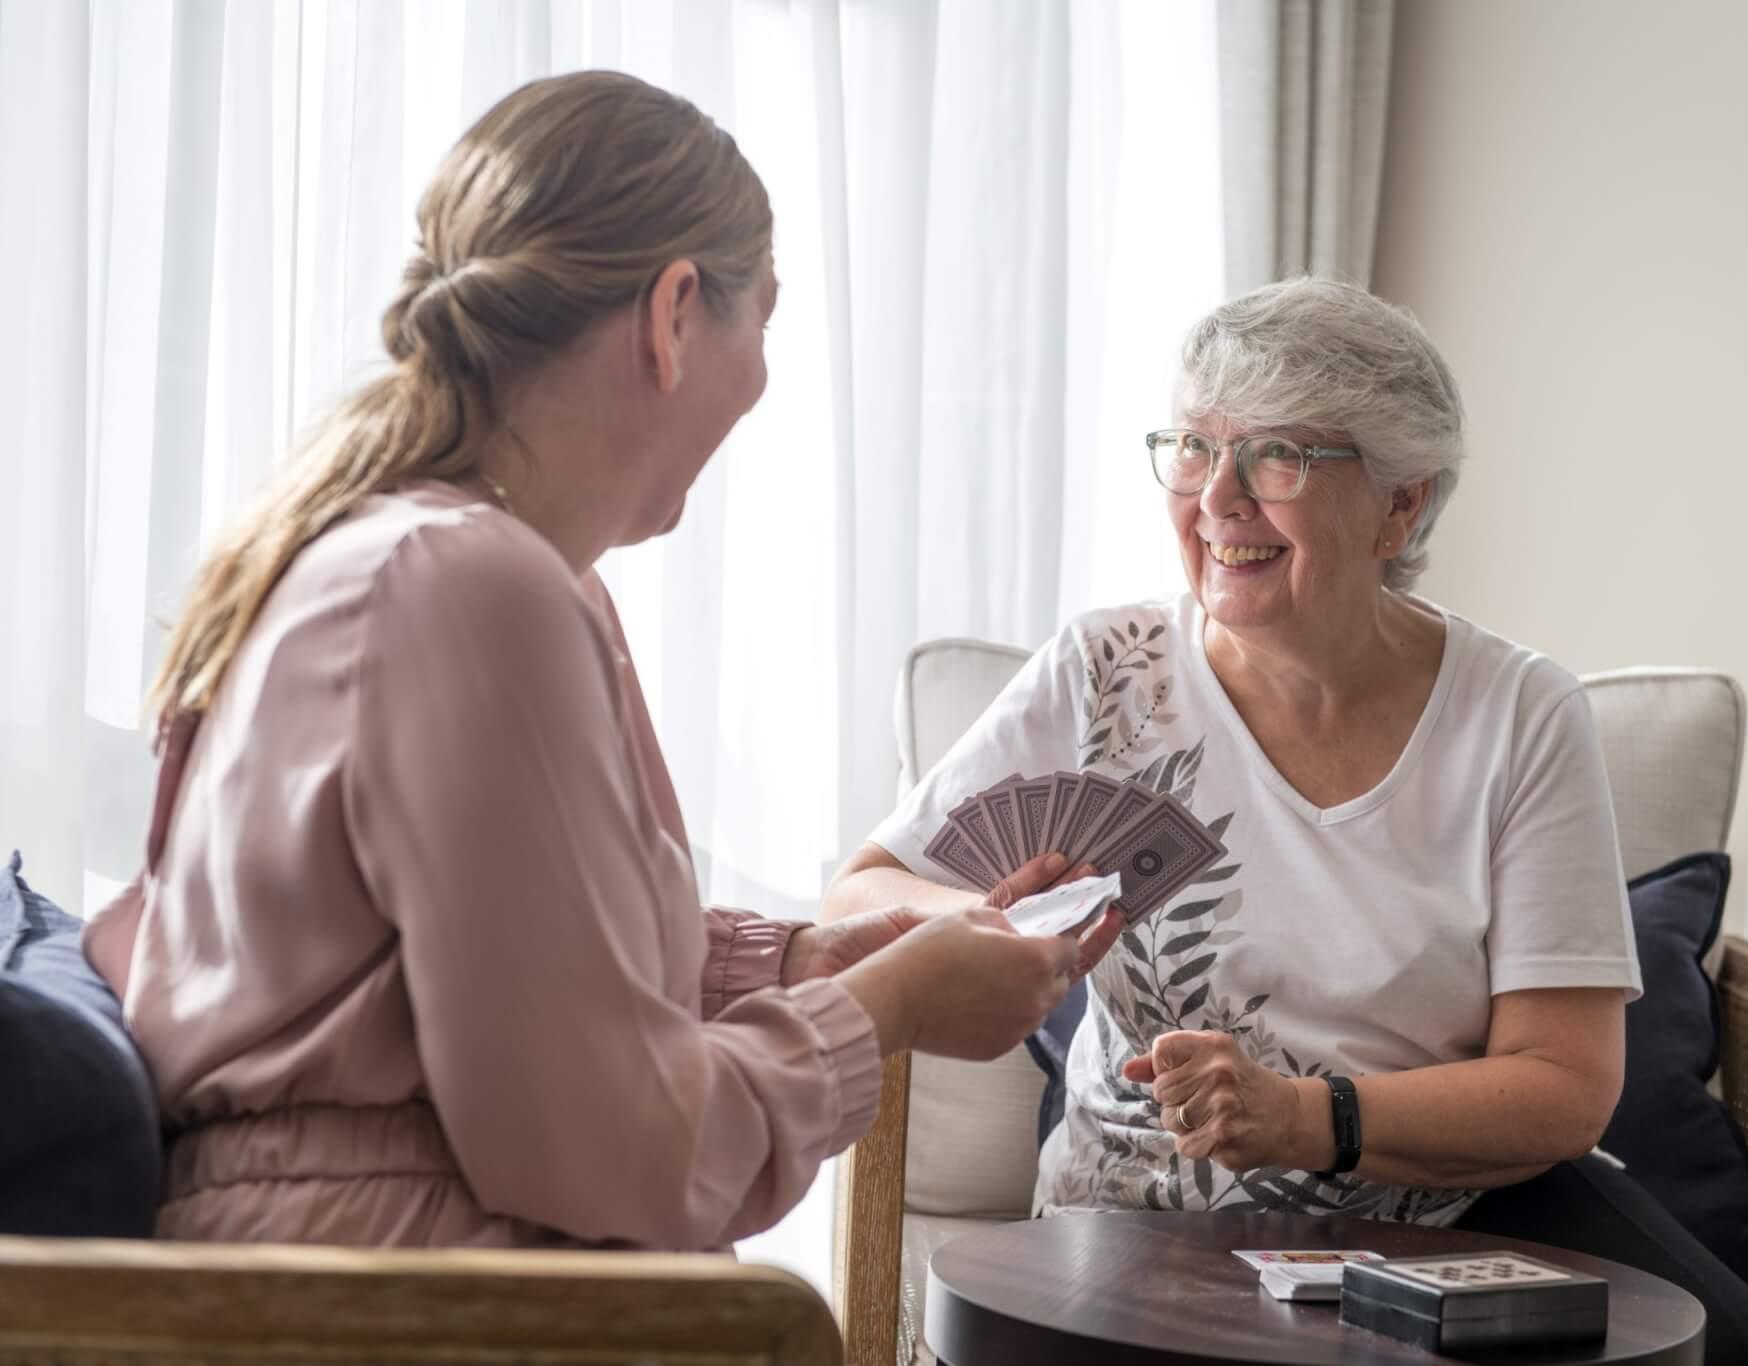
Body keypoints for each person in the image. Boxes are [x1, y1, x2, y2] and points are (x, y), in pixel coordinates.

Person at [83, 71, 1119, 1251]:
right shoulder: (475, 590)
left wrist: (794, 961)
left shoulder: (407, 554)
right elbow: (609, 1153)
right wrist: (880, 1007)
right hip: (411, 1305)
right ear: (674, 312)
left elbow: (460, 983)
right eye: (761, 322)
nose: (763, 383)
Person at [824, 278, 1748, 1365]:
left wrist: (1308, 1116)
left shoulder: (1518, 715)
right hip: (1140, 1217)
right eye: (1193, 448)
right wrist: (984, 923)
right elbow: (863, 891)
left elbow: (1563, 1081)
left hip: (1440, 1224)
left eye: (1277, 456)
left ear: (1400, 505)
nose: (1218, 498)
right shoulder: (1105, 677)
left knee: (1747, 1355)